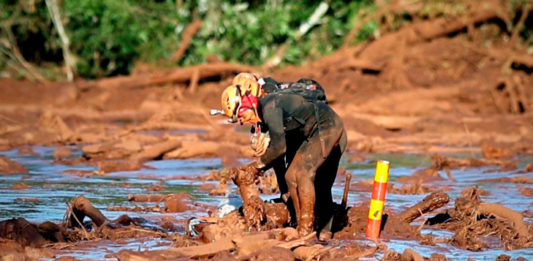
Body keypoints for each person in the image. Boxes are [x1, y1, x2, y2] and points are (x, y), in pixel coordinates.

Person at [219, 75, 347, 238]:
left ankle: (306, 231)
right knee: (290, 176)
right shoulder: (262, 116)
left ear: (249, 104)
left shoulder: (270, 107)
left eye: (241, 116)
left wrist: (256, 167)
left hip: (327, 126)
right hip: (311, 133)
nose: (242, 121)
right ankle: (302, 224)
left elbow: (279, 147)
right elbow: (278, 156)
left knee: (303, 174)